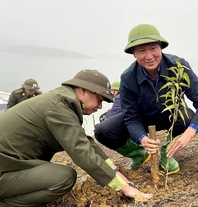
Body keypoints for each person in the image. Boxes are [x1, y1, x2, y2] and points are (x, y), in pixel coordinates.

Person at [0, 69, 151, 207]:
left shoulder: (61, 101)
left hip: (10, 165)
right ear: (83, 90)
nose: (100, 107)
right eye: (99, 99)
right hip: (5, 169)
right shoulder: (58, 107)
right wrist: (123, 187)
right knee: (64, 178)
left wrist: (114, 170)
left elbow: (84, 141)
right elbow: (82, 152)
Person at [94, 24, 198, 175]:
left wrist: (189, 133)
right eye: (141, 51)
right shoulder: (128, 77)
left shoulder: (178, 66)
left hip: (172, 115)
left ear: (160, 48)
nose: (149, 56)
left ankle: (167, 152)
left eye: (153, 48)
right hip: (143, 118)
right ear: (133, 53)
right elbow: (131, 117)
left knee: (188, 118)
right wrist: (142, 139)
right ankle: (139, 154)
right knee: (103, 131)